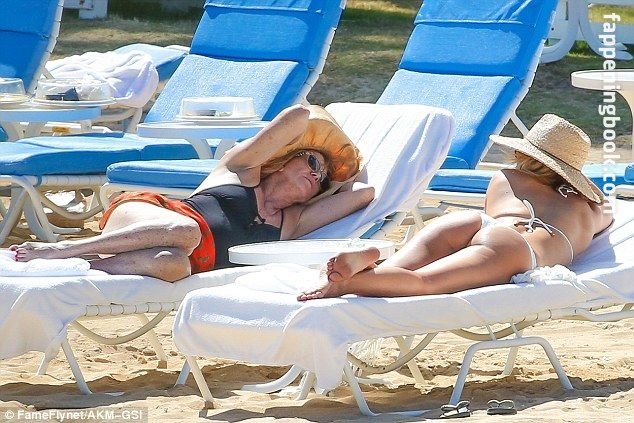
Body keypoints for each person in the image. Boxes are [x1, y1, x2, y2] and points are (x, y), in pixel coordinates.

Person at [10, 104, 374, 281]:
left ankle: (75, 267)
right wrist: (325, 135)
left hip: (185, 259)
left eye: (323, 180)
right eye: (311, 162)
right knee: (187, 231)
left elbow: (364, 192)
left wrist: (338, 178)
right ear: (283, 161)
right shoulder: (240, 171)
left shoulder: (294, 221)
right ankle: (63, 249)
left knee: (174, 264)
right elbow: (298, 117)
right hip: (150, 215)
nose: (317, 175)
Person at [298, 114, 614, 301]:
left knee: (402, 270)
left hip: (475, 223)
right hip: (517, 248)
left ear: (523, 153)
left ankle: (372, 264)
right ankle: (348, 283)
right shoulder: (589, 209)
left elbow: (493, 215)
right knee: (424, 284)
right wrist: (582, 188)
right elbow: (605, 207)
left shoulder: (507, 178)